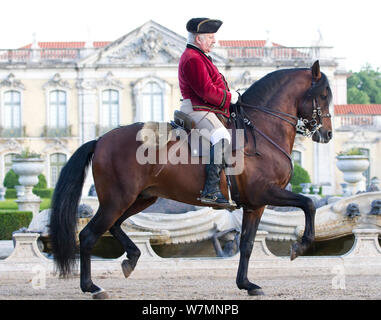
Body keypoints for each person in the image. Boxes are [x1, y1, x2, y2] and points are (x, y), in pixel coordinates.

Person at [178, 18, 239, 208]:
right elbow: (205, 91)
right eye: (211, 37)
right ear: (198, 39)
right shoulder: (193, 58)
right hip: (197, 109)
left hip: (206, 108)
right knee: (222, 136)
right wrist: (230, 98)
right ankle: (210, 191)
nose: (214, 41)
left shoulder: (199, 56)